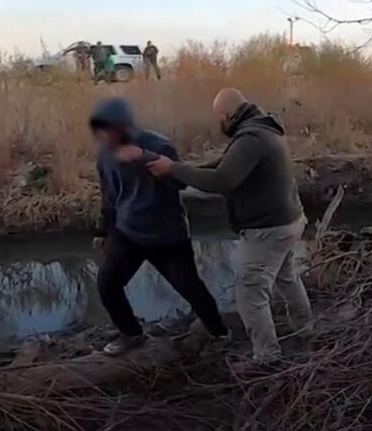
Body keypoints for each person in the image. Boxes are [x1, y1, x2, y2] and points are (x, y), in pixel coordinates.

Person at [142, 88, 311, 365]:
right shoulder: (260, 129)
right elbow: (223, 165)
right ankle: (306, 330)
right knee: (287, 277)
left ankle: (267, 357)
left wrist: (174, 170)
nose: (218, 124)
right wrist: (182, 170)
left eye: (218, 118)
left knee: (250, 293)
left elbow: (223, 180)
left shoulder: (250, 138)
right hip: (290, 221)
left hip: (268, 229)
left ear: (226, 115)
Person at [90, 97, 230, 355]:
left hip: (166, 234)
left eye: (108, 128)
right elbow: (109, 196)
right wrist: (103, 229)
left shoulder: (156, 145)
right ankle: (131, 334)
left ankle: (219, 333)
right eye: (99, 129)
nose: (103, 135)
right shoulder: (105, 155)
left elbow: (179, 184)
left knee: (190, 287)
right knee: (107, 283)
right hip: (127, 232)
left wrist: (144, 159)